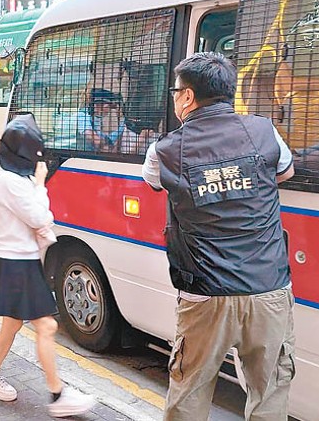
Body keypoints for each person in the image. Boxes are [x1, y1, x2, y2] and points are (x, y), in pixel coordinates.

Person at [141, 52, 296, 421]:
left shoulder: (164, 150)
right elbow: (284, 173)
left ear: (189, 97)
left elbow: (152, 184)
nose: (174, 98)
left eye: (176, 91)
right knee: (270, 393)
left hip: (205, 295)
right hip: (268, 288)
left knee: (189, 392)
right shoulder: (264, 131)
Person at [0, 114, 96, 418]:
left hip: (14, 260)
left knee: (12, 324)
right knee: (46, 326)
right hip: (16, 263)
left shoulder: (9, 176)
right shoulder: (13, 182)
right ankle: (58, 395)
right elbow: (41, 218)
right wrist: (42, 184)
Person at [78, 89, 146, 154]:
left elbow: (108, 139)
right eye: (108, 106)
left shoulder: (96, 118)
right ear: (99, 104)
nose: (109, 110)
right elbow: (95, 139)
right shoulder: (82, 115)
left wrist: (123, 125)